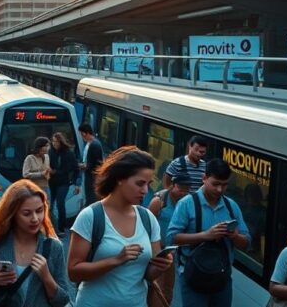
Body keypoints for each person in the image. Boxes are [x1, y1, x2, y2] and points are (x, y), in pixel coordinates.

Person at [66, 145, 172, 305]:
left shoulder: (148, 218)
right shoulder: (91, 216)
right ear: (119, 179)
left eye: (148, 184)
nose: (145, 190)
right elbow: (73, 273)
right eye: (140, 183)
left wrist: (161, 266)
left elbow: (147, 275)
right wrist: (116, 260)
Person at [0, 180, 71, 306]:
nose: (35, 219)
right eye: (26, 213)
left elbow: (63, 300)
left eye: (39, 210)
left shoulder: (54, 248)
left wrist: (46, 277)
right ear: (12, 214)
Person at [166, 159, 251, 307]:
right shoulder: (187, 204)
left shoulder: (231, 207)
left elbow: (247, 242)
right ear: (204, 178)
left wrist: (235, 236)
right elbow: (171, 238)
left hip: (222, 278)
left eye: (224, 185)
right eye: (216, 184)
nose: (220, 190)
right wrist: (206, 235)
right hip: (193, 276)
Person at [148, 171, 193, 304]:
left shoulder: (187, 203)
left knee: (168, 288)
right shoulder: (158, 201)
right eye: (180, 189)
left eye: (187, 190)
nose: (183, 193)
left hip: (174, 254)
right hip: (159, 252)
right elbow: (147, 225)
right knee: (157, 288)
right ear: (172, 186)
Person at [47, 132, 79, 233]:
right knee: (49, 204)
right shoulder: (50, 152)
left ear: (61, 142)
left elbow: (74, 168)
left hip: (63, 182)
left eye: (56, 142)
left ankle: (61, 227)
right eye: (53, 141)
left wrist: (75, 182)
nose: (54, 143)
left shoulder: (68, 153)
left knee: (60, 203)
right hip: (51, 182)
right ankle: (49, 227)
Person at [78, 124, 104, 207]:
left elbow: (97, 164)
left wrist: (84, 166)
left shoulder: (94, 145)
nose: (82, 136)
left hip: (91, 178)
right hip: (88, 176)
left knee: (91, 199)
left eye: (82, 134)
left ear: (86, 133)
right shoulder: (89, 144)